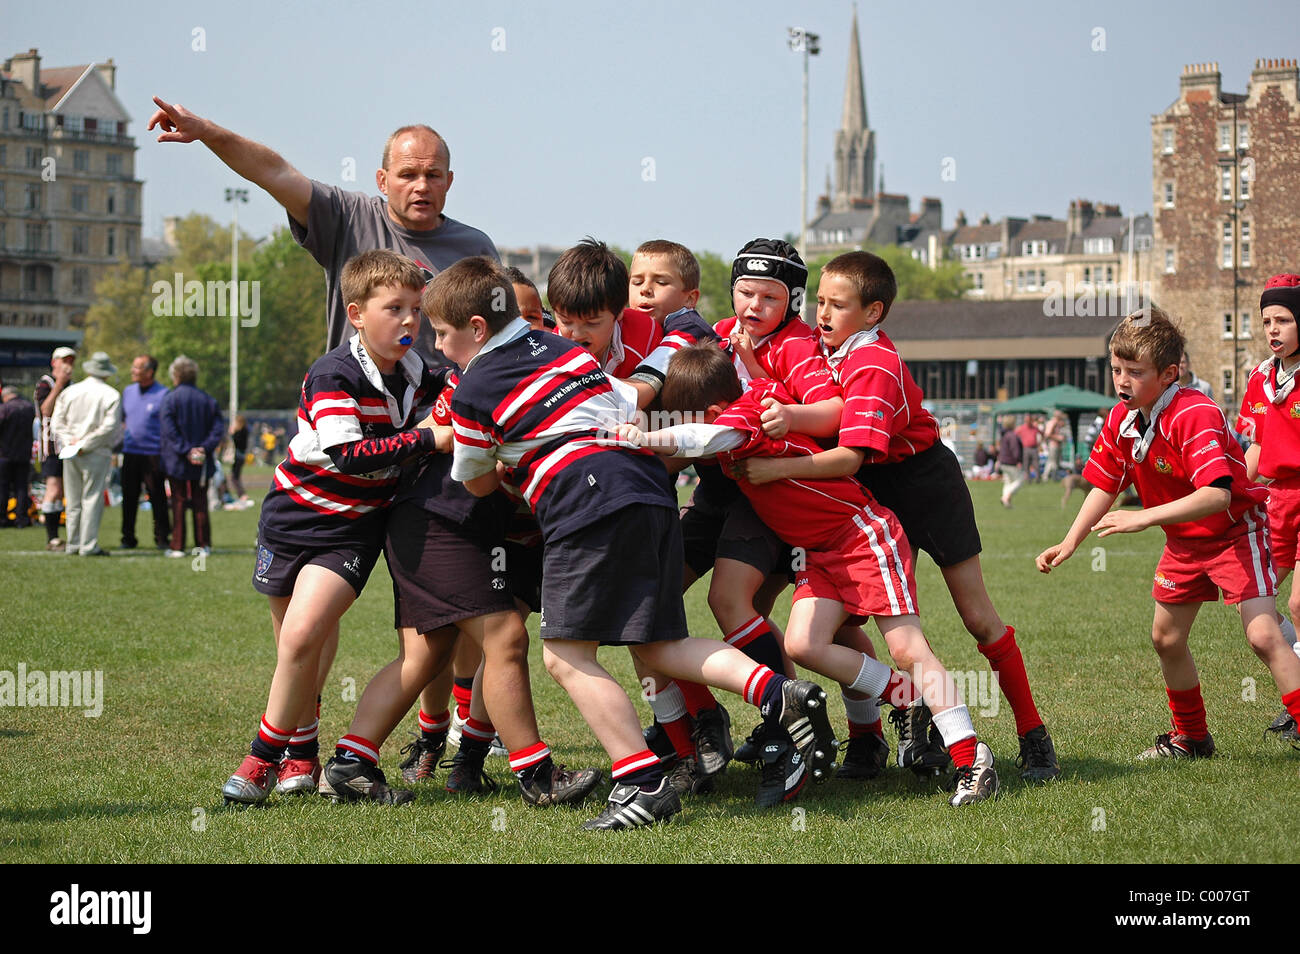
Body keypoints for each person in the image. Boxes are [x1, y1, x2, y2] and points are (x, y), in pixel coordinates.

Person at [433, 255, 836, 830]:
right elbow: (624, 406)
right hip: (649, 489)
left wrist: (509, 462)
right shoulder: (567, 352)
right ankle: (778, 692)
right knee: (658, 645)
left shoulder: (473, 386)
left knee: (567, 654)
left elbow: (476, 483)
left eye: (444, 336)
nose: (442, 349)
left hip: (585, 499)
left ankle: (641, 782)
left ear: (476, 328)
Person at [735, 251, 1060, 782]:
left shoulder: (874, 361)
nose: (821, 314)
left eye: (837, 306)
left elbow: (850, 454)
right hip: (861, 490)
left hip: (922, 483)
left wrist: (776, 470)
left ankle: (1032, 733)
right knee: (835, 623)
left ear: (872, 313)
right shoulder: (819, 347)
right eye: (818, 301)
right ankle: (880, 734)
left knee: (978, 617)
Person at [635, 344, 999, 806]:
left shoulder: (742, 419)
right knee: (804, 645)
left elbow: (703, 441)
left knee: (907, 647)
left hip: (861, 536)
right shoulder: (748, 400)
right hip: (820, 552)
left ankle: (972, 758)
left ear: (711, 412)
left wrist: (639, 437)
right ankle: (907, 696)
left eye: (687, 419)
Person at [222, 250, 446, 805]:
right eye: (394, 308)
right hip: (291, 518)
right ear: (356, 314)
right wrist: (427, 437)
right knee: (298, 647)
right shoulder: (333, 371)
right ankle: (303, 749)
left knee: (302, 634)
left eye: (415, 310)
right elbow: (348, 454)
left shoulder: (426, 374)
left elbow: (473, 382)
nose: (409, 322)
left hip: (351, 531)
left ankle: (261, 758)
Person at [1038, 306, 1300, 760]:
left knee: (1262, 636)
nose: (1121, 380)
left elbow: (1217, 496)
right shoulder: (1123, 417)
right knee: (1166, 639)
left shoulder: (1193, 412)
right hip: (1184, 544)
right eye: (1115, 369)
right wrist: (1070, 541)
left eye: (1135, 372)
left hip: (1235, 536)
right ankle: (1192, 738)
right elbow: (1105, 483)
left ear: (1169, 374)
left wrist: (1143, 517)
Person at [146, 99, 498, 363]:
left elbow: (502, 340)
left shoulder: (475, 248)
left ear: (448, 181)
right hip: (358, 422)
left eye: (433, 175)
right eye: (407, 175)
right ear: (383, 180)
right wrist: (208, 132)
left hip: (442, 428)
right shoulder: (346, 217)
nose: (421, 186)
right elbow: (274, 173)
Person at [1237, 274, 1300, 742]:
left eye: (1283, 319)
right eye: (1266, 321)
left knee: (1299, 602)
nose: (1273, 329)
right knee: (1255, 599)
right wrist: (1234, 491)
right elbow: (1257, 447)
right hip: (1275, 501)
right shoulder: (1261, 377)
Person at [50, 351, 122, 556]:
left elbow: (57, 422)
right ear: (106, 373)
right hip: (96, 451)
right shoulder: (111, 395)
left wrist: (70, 441)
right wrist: (85, 443)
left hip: (71, 451)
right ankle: (88, 544)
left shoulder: (71, 392)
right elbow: (109, 427)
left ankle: (73, 543)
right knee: (92, 498)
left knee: (73, 500)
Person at [159, 356, 224, 556]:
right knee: (200, 501)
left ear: (175, 375)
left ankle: (177, 546)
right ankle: (203, 545)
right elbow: (217, 428)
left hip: (177, 460)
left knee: (178, 501)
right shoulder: (207, 399)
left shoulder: (170, 399)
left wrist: (185, 449)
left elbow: (169, 430)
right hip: (202, 460)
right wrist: (203, 448)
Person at [119, 354, 171, 550]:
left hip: (153, 455)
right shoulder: (127, 391)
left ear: (149, 372)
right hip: (130, 452)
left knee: (157, 497)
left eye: (137, 368)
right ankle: (127, 538)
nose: (133, 371)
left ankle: (162, 538)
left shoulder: (164, 394)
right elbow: (123, 420)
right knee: (129, 497)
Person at [34, 346, 75, 550]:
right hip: (52, 446)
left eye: (71, 361)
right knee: (54, 488)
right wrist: (59, 384)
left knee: (64, 491)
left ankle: (63, 535)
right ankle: (52, 537)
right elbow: (45, 410)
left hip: (70, 445)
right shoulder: (45, 383)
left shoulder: (73, 385)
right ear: (54, 363)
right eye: (64, 361)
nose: (68, 365)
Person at [0, 385, 36, 528]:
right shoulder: (29, 407)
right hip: (24, 455)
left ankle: (2, 519)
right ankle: (22, 519)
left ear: (6, 396)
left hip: (4, 454)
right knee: (21, 487)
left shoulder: (4, 409)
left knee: (3, 488)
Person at [998, 415, 1025, 507]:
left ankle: (1006, 501)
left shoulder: (1004, 434)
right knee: (1020, 479)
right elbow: (1015, 450)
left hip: (1003, 462)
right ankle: (1006, 497)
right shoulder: (1012, 435)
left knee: (1008, 482)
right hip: (1010, 462)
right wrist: (1019, 460)